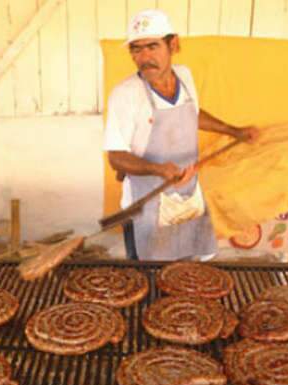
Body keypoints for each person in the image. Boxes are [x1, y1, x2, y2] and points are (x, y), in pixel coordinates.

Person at [104, 9, 258, 261]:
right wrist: (158, 169)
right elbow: (116, 158)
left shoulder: (184, 76)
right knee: (149, 277)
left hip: (187, 197)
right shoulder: (125, 94)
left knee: (188, 271)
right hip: (146, 206)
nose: (144, 57)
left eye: (152, 46)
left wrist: (234, 131)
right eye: (136, 49)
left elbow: (192, 114)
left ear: (173, 44)